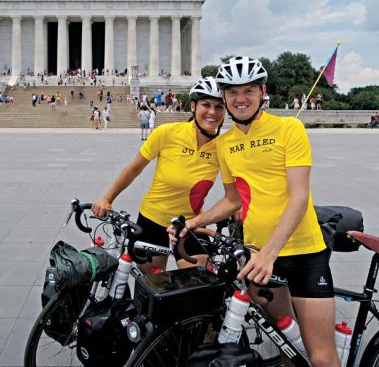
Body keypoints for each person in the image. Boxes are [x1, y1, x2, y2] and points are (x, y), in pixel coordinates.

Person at [169, 56, 338, 367]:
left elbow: (299, 198)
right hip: (257, 253)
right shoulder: (225, 143)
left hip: (302, 252)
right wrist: (193, 222)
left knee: (321, 356)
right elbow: (233, 200)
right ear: (224, 97)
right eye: (232, 92)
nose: (240, 99)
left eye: (248, 90)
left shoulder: (289, 128)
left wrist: (270, 253)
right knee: (289, 348)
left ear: (262, 92)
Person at [92, 77, 225, 273]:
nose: (212, 112)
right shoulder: (167, 133)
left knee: (197, 286)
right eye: (206, 105)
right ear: (194, 106)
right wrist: (107, 198)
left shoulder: (224, 146)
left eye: (219, 107)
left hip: (190, 223)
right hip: (153, 218)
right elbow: (134, 169)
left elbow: (240, 183)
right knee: (152, 285)